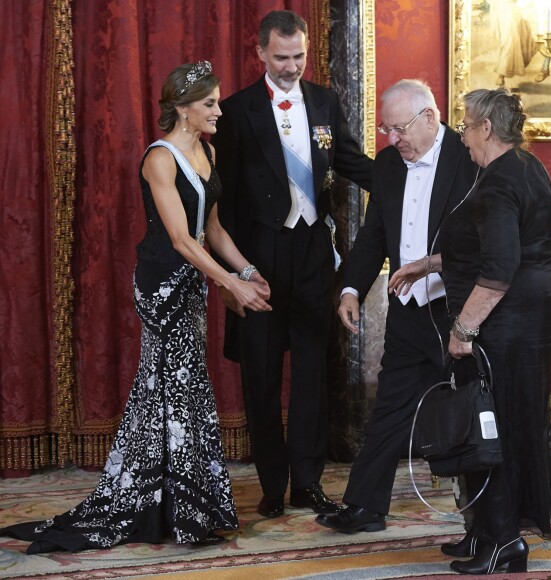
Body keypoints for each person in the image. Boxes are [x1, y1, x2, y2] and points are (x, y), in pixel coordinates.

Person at [0, 61, 272, 553]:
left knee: (178, 390)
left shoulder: (206, 150)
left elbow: (212, 231)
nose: (218, 111)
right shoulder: (160, 159)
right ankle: (172, 507)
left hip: (192, 283)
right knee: (172, 386)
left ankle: (175, 504)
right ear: (183, 109)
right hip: (163, 285)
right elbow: (179, 240)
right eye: (209, 104)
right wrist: (232, 283)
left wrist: (249, 273)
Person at [211, 10, 373, 519]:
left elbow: (348, 159)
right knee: (260, 376)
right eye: (281, 57)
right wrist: (236, 274)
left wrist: (403, 179)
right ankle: (272, 486)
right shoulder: (236, 111)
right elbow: (226, 199)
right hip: (258, 255)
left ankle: (306, 482)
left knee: (311, 372)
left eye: (299, 56)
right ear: (260, 53)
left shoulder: (325, 100)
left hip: (311, 255)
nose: (291, 66)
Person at [391, 87, 551, 574]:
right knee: (491, 424)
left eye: (466, 126)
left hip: (503, 328)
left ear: (487, 127)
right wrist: (429, 263)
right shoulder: (525, 167)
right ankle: (483, 531)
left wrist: (464, 328)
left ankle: (503, 539)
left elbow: (501, 267)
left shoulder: (500, 181)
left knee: (494, 427)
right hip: (522, 321)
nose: (461, 135)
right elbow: (493, 246)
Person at [315, 79, 479, 534]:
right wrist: (351, 289)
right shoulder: (388, 165)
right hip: (408, 314)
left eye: (399, 128)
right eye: (387, 130)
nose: (393, 139)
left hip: (459, 312)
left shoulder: (468, 158)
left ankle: (501, 512)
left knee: (477, 407)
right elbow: (374, 237)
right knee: (389, 408)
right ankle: (365, 508)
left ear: (430, 117)